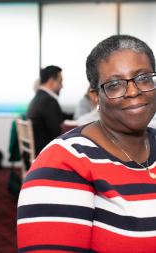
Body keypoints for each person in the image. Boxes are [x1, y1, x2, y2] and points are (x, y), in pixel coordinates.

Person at [17, 35, 156, 252]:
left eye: (144, 77)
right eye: (115, 84)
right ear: (95, 97)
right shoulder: (62, 165)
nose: (133, 91)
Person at [26, 65, 68, 155]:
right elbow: (58, 133)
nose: (62, 86)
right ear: (51, 81)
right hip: (46, 153)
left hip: (38, 150)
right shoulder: (48, 101)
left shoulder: (39, 98)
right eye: (60, 81)